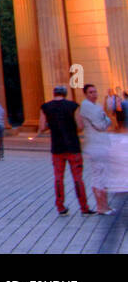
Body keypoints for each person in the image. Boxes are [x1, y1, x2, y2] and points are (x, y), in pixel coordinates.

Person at [38, 85, 92, 215]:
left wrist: (52, 124)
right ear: (65, 94)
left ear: (54, 93)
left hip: (57, 147)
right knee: (78, 178)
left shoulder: (45, 107)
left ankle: (60, 206)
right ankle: (84, 207)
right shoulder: (73, 106)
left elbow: (42, 127)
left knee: (58, 178)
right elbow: (80, 126)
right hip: (73, 146)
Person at [77, 84, 128, 214]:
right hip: (95, 146)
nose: (94, 94)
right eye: (90, 92)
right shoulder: (87, 106)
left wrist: (105, 120)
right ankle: (101, 207)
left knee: (103, 175)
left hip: (101, 145)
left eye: (95, 91)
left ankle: (105, 205)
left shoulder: (96, 106)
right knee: (98, 176)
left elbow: (105, 119)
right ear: (86, 94)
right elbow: (102, 124)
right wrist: (106, 120)